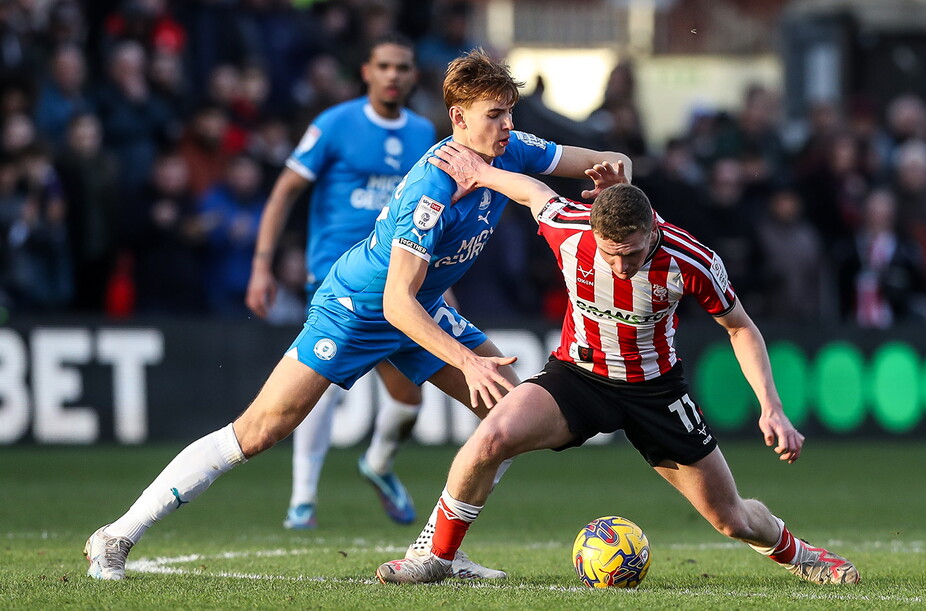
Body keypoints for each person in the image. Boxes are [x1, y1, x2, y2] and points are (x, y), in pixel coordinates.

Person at [84, 48, 630, 581]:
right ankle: (116, 535)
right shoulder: (432, 186)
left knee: (508, 417)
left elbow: (614, 162)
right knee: (260, 430)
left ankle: (437, 553)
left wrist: (613, 184)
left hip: (420, 307)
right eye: (495, 114)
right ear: (459, 118)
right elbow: (395, 303)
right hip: (358, 308)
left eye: (510, 111)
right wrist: (467, 360)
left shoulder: (513, 149)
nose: (507, 124)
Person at [375, 142, 860, 586]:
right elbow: (532, 191)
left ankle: (806, 556)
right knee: (491, 438)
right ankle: (437, 557)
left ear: (653, 229)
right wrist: (480, 172)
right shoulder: (569, 227)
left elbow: (740, 328)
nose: (621, 266)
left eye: (632, 254)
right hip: (577, 378)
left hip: (655, 391)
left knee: (730, 518)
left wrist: (771, 407)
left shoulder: (692, 260)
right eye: (610, 255)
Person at [245, 34, 438, 530]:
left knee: (410, 397)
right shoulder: (334, 124)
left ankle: (378, 463)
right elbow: (284, 192)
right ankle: (302, 501)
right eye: (384, 66)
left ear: (414, 76)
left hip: (397, 279)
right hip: (336, 276)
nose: (393, 75)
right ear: (367, 72)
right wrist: (263, 265)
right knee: (322, 385)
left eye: (403, 67)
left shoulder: (423, 132)